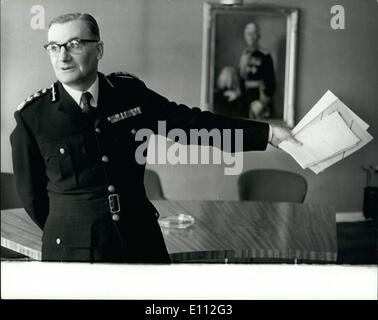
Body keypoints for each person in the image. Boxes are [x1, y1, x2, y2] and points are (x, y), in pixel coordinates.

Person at [10, 13, 299, 263]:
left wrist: (268, 134)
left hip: (140, 240)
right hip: (73, 252)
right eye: (54, 47)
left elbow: (192, 124)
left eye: (73, 45)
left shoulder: (129, 94)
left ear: (99, 50)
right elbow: (33, 197)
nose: (62, 56)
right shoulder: (32, 117)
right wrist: (73, 224)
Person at [239, 21, 276, 119]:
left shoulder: (265, 55)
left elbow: (271, 82)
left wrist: (262, 102)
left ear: (258, 36)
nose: (250, 37)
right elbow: (241, 79)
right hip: (245, 98)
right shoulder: (244, 55)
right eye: (248, 34)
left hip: (260, 97)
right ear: (244, 36)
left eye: (253, 33)